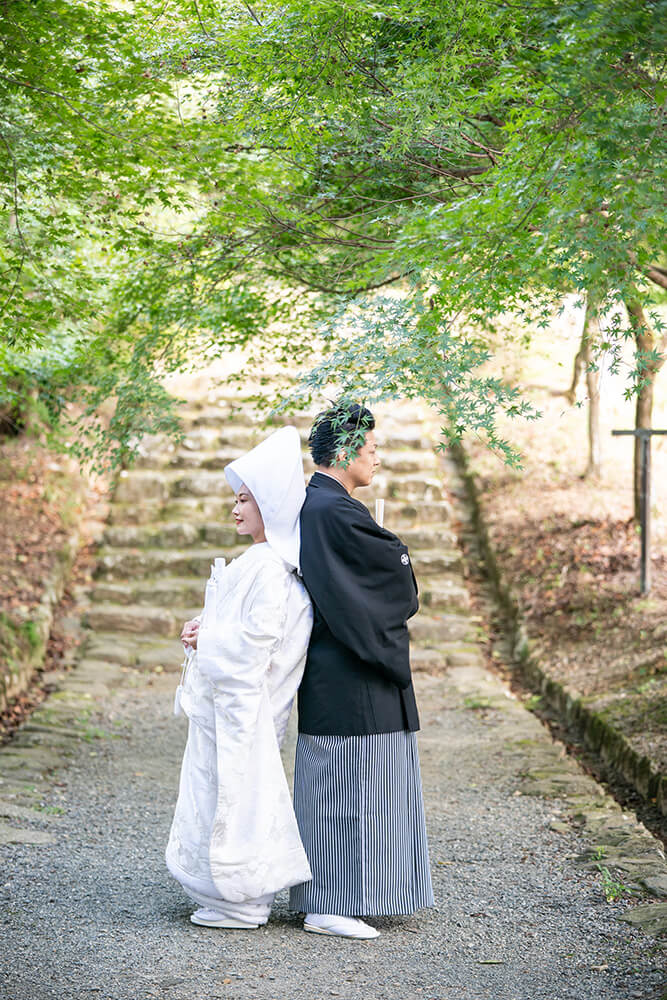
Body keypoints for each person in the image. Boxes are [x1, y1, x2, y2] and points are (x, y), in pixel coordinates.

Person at [289, 403, 434, 939]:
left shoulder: (323, 506)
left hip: (344, 667)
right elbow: (394, 579)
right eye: (372, 449)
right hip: (349, 671)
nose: (378, 458)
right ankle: (328, 903)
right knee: (348, 789)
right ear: (346, 452)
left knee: (357, 787)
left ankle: (343, 895)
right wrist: (400, 556)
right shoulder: (332, 510)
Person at [165, 425, 313, 929]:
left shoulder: (271, 568)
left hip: (247, 704)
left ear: (268, 504)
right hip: (234, 702)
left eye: (245, 500)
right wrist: (203, 627)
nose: (235, 509)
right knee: (222, 793)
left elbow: (256, 645)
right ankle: (230, 893)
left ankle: (243, 897)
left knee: (242, 795)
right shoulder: (262, 562)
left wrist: (211, 639)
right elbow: (240, 628)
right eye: (235, 499)